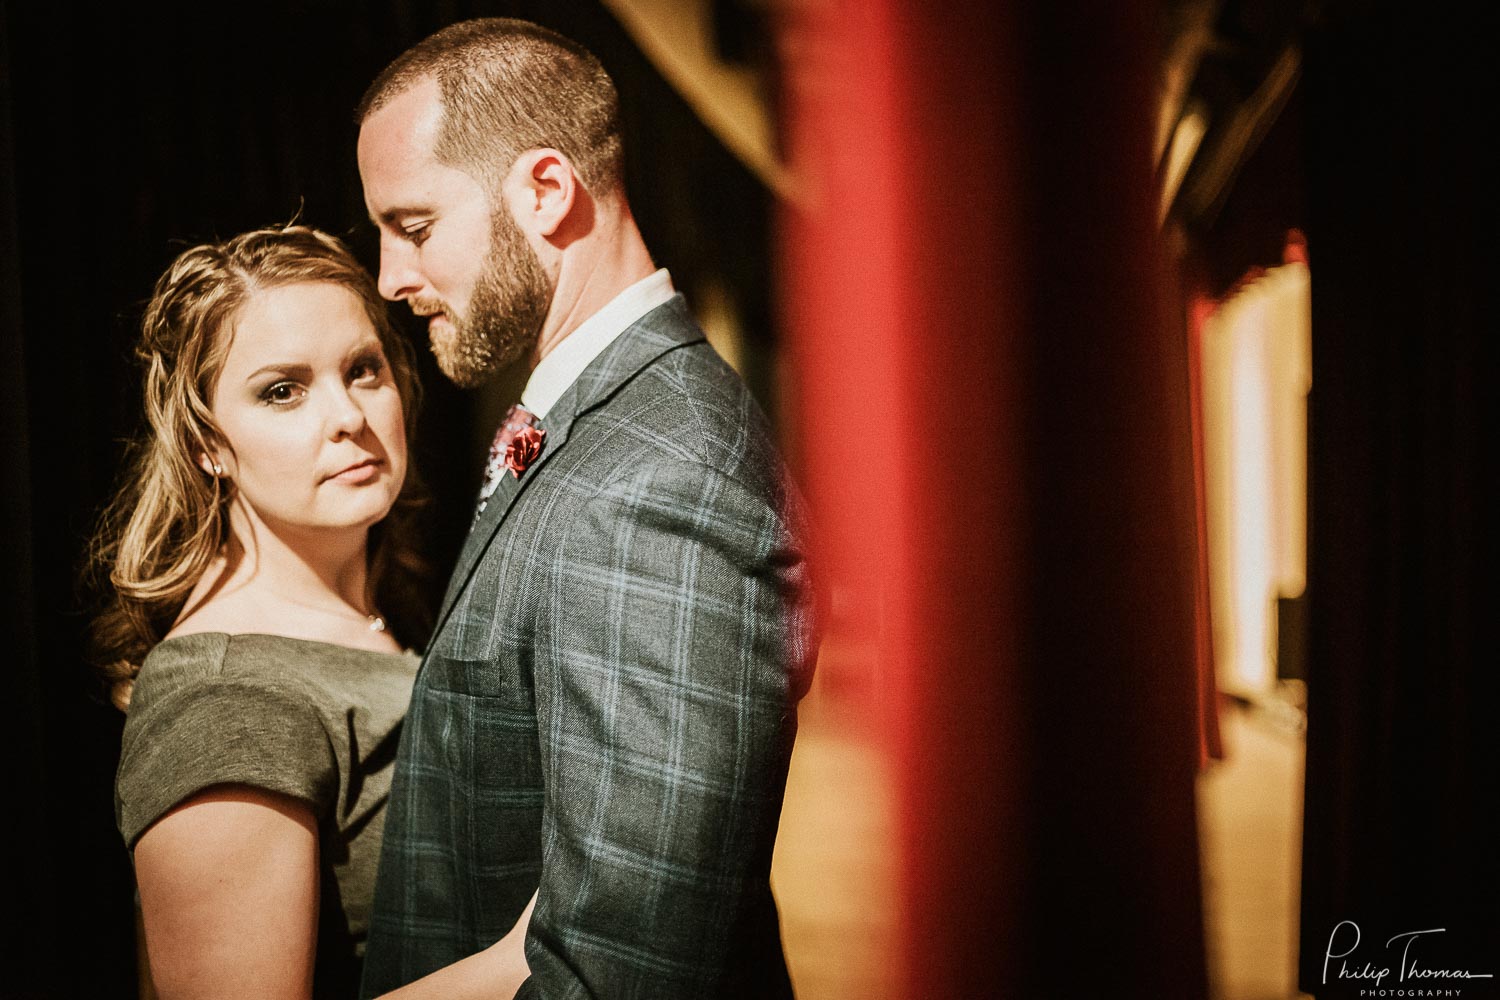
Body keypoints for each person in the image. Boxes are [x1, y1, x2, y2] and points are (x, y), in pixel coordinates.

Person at [355, 18, 820, 1000]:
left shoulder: (662, 483)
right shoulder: (599, 417)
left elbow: (614, 972)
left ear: (547, 190)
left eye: (414, 227)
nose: (392, 279)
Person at [94, 225, 528, 998]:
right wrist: (531, 959)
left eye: (363, 370)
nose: (348, 416)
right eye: (282, 390)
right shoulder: (227, 697)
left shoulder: (381, 613)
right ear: (206, 445)